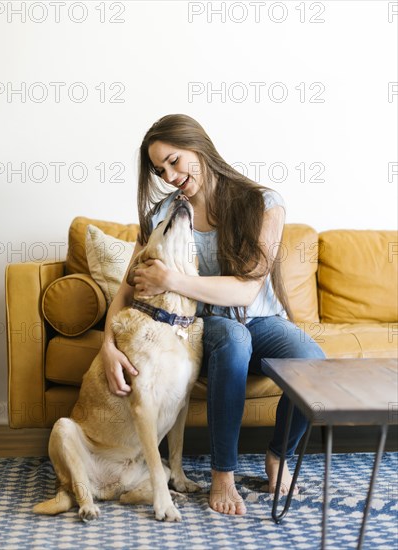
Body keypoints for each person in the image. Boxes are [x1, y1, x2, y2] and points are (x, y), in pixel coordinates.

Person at [100, 114, 326, 516]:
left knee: (313, 361)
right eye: (160, 169)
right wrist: (107, 345)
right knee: (233, 339)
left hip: (262, 318)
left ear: (198, 147)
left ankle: (278, 453)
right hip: (204, 325)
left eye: (174, 160)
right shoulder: (165, 214)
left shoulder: (262, 203)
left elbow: (246, 288)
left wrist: (170, 279)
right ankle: (224, 473)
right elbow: (128, 286)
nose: (169, 175)